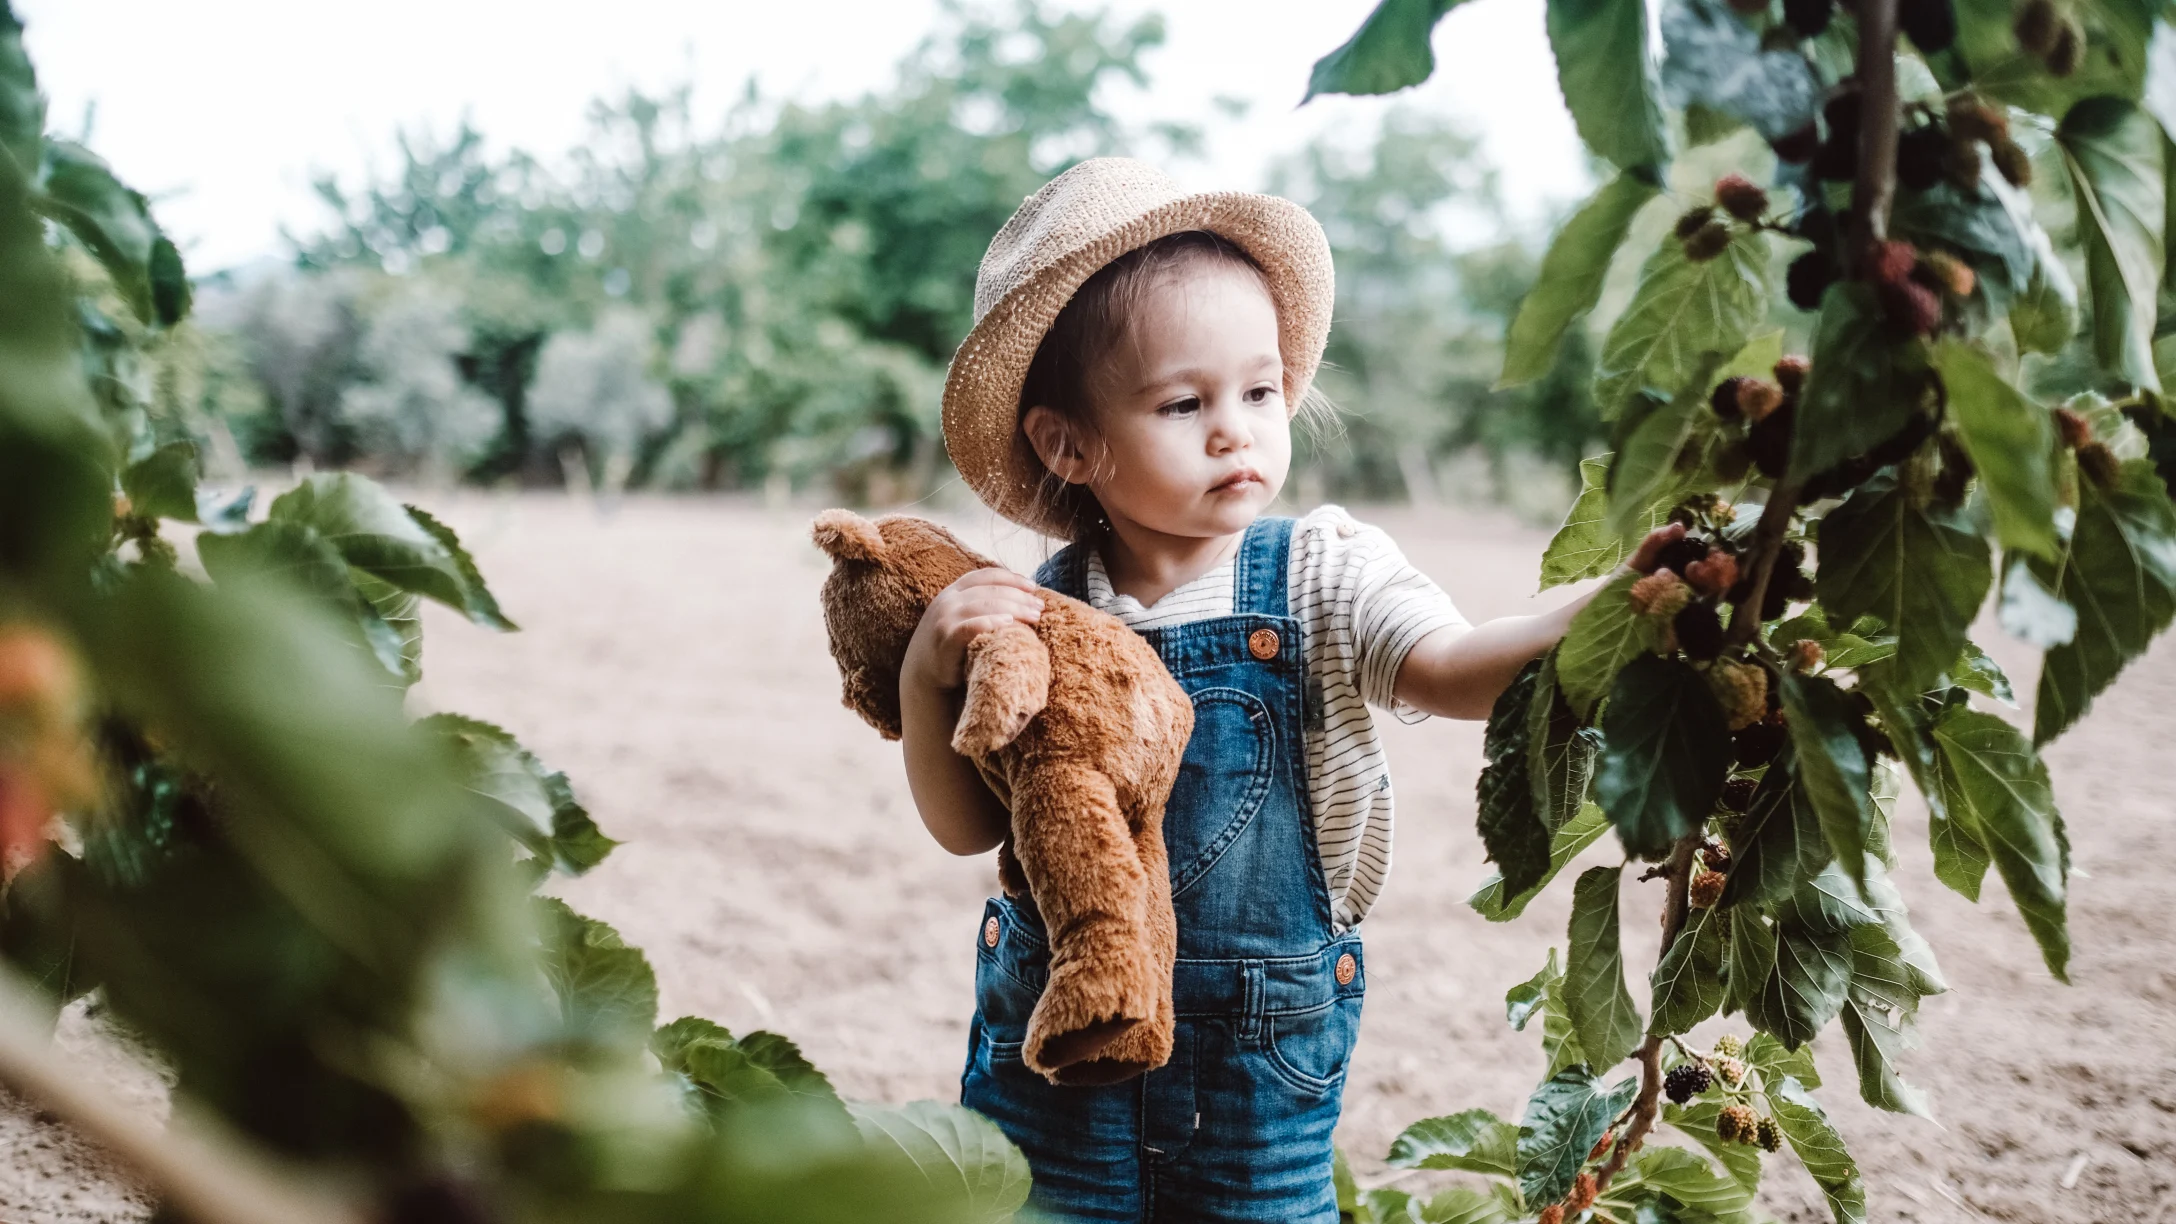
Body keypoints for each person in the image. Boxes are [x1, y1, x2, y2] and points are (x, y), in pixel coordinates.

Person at [901, 157, 1677, 1222]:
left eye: (1258, 391)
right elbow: (964, 828)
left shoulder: (1323, 572)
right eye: (1184, 402)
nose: (1236, 429)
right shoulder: (1041, 614)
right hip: (1059, 1043)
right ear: (1067, 444)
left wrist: (1619, 602)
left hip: (1259, 1062)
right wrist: (922, 678)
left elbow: (1452, 667)